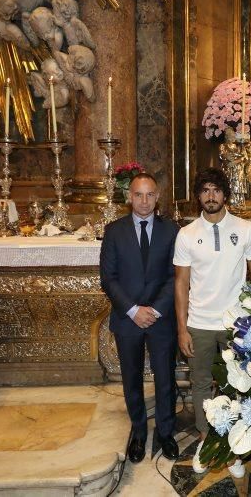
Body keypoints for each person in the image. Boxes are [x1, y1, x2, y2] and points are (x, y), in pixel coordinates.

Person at [174, 167, 251, 476]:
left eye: (216, 190)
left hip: (235, 324)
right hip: (199, 324)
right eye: (205, 190)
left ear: (225, 194)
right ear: (198, 196)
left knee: (238, 385)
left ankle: (236, 449)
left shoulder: (246, 228)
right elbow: (181, 283)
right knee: (200, 384)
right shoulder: (186, 234)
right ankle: (205, 440)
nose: (210, 196)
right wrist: (182, 327)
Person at [100, 172, 179, 463]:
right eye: (138, 194)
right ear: (129, 197)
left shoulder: (171, 230)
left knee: (165, 377)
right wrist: (133, 310)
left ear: (157, 197)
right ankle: (139, 432)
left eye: (149, 195)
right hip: (127, 317)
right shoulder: (114, 231)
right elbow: (108, 279)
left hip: (162, 318)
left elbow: (176, 276)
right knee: (131, 378)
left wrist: (156, 309)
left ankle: (166, 432)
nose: (144, 201)